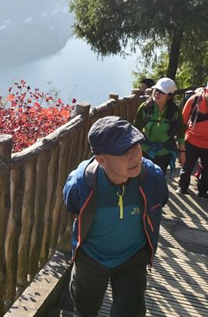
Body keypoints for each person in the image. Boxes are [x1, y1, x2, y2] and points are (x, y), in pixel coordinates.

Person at [63, 116, 169, 317]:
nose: (136, 156)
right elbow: (72, 204)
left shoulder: (153, 178)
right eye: (123, 151)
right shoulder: (82, 183)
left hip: (133, 257)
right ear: (101, 159)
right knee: (85, 309)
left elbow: (159, 201)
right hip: (90, 258)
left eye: (136, 146)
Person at [132, 77, 185, 176]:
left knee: (157, 178)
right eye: (156, 90)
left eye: (161, 92)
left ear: (169, 96)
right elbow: (135, 130)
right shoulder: (145, 108)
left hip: (164, 153)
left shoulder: (175, 112)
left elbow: (180, 132)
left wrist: (182, 152)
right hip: (145, 151)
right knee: (142, 178)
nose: (157, 93)